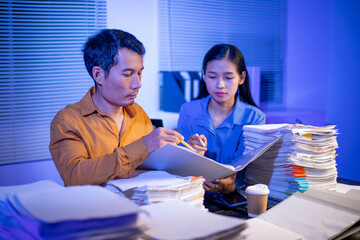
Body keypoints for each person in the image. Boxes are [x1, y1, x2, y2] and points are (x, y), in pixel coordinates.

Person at [49, 29, 183, 186]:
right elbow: (74, 176)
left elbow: (155, 167)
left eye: (139, 73)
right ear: (98, 75)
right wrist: (142, 146)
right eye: (127, 74)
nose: (138, 84)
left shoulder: (138, 114)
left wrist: (189, 157)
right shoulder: (68, 120)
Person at [178, 44, 265, 194]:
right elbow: (181, 166)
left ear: (242, 77)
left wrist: (232, 184)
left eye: (228, 77)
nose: (220, 85)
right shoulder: (188, 111)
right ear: (203, 75)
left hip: (237, 197)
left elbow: (246, 169)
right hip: (193, 194)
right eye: (212, 77)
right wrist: (193, 153)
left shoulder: (254, 118)